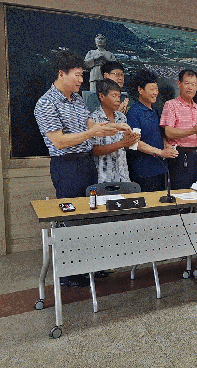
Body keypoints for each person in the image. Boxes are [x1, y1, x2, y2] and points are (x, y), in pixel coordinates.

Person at [34, 51, 129, 287]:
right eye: (77, 76)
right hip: (66, 166)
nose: (81, 81)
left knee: (89, 216)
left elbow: (92, 125)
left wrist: (115, 126)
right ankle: (68, 273)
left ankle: (88, 266)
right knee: (69, 218)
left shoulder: (76, 99)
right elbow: (59, 141)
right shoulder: (46, 103)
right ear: (61, 74)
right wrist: (92, 133)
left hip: (86, 163)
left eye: (82, 76)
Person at [126, 70, 178, 192]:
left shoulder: (155, 111)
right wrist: (160, 152)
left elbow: (160, 133)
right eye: (152, 89)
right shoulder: (135, 112)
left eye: (157, 89)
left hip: (161, 168)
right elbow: (135, 142)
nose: (155, 93)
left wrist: (166, 145)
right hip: (144, 171)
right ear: (140, 90)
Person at [160, 69, 197, 189]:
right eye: (187, 83)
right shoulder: (171, 105)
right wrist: (194, 131)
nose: (190, 87)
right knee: (182, 197)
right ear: (179, 84)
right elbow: (169, 132)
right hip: (180, 157)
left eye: (193, 84)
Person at [92, 79, 141, 183]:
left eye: (119, 96)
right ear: (101, 96)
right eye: (114, 96)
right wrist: (122, 143)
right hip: (104, 178)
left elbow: (127, 147)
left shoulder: (121, 117)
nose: (118, 100)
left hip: (123, 176)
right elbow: (95, 150)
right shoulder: (94, 119)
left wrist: (132, 140)